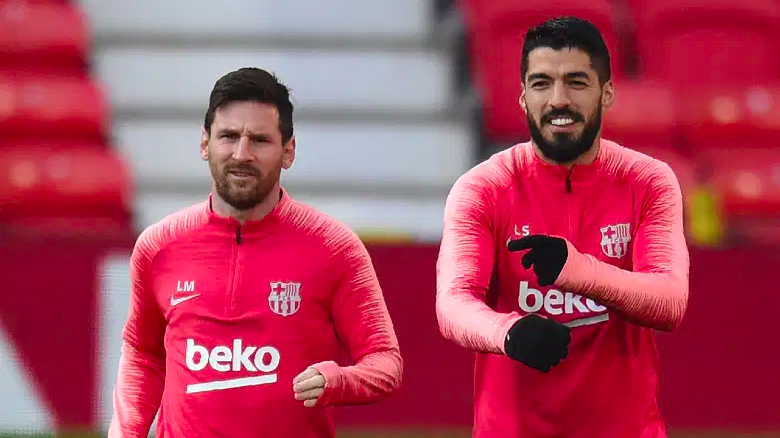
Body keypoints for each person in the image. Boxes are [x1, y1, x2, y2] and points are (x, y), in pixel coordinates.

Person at [108, 67, 403, 438]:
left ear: (288, 151)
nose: (242, 154)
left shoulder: (334, 247)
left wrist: (339, 381)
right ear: (205, 143)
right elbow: (144, 354)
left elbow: (385, 362)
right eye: (229, 136)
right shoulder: (159, 245)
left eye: (259, 140)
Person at [436, 17, 689, 438]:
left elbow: (669, 300)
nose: (558, 100)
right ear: (523, 97)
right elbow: (453, 303)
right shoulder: (483, 188)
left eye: (576, 82)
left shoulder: (648, 181)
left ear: (607, 93)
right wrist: (508, 331)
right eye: (542, 83)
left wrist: (574, 270)